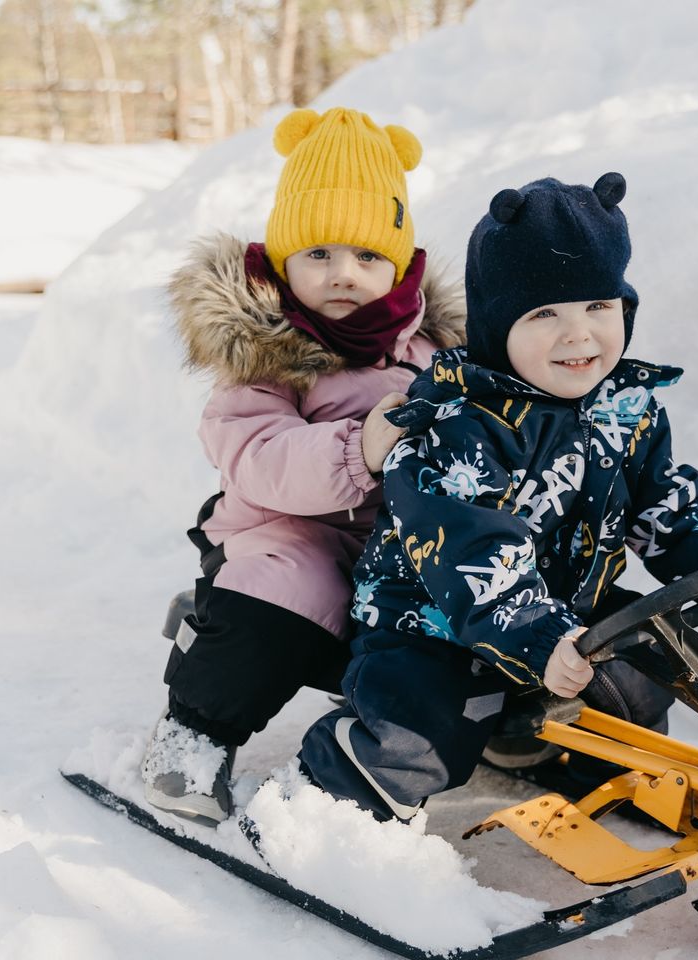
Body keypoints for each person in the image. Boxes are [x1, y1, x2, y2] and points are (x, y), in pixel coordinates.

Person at [297, 171, 698, 822]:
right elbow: (472, 556)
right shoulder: (456, 425)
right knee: (424, 729)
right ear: (498, 325)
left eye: (598, 307)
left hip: (563, 619)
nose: (579, 335)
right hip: (438, 626)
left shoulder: (624, 409)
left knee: (643, 672)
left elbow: (664, 503)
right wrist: (539, 636)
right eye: (546, 314)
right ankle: (332, 797)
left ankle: (604, 772)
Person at [143, 107, 464, 823]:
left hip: (405, 547)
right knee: (285, 587)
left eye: (368, 256)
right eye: (318, 253)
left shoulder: (438, 353)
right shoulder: (264, 353)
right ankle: (194, 734)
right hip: (292, 535)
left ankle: (504, 725)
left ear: (401, 266)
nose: (344, 274)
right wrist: (360, 447)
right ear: (283, 260)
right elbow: (257, 454)